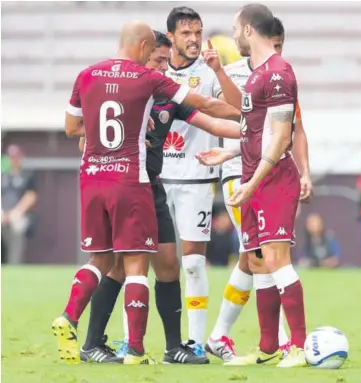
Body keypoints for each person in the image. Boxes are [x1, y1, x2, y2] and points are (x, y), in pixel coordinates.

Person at [52, 20, 239, 366]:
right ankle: (104, 343)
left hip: (150, 186)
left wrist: (248, 128)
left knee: (168, 264)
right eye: (157, 61)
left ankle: (172, 348)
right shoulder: (138, 86)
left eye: (166, 63)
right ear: (143, 54)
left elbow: (211, 119)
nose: (162, 68)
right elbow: (81, 135)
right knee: (120, 267)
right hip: (131, 185)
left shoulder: (162, 92)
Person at [197, 4, 308, 368]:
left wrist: (253, 181)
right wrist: (227, 157)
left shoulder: (278, 74)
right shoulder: (259, 75)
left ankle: (299, 346)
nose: (231, 34)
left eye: (234, 28)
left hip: (273, 180)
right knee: (259, 264)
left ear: (248, 30)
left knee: (277, 260)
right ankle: (267, 348)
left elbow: (278, 140)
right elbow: (250, 126)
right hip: (253, 179)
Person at [161, 6, 236, 357]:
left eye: (197, 32)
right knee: (145, 262)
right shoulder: (155, 70)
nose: (193, 39)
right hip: (156, 177)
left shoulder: (207, 73)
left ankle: (194, 342)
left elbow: (236, 110)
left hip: (196, 177)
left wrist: (219, 71)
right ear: (172, 37)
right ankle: (135, 341)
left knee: (192, 262)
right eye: (186, 33)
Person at [1, 145, 37, 264]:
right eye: (12, 157)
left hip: (19, 214)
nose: (14, 160)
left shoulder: (27, 175)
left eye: (16, 157)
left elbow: (31, 197)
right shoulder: (3, 175)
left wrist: (15, 212)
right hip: (3, 214)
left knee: (17, 232)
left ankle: (14, 265)